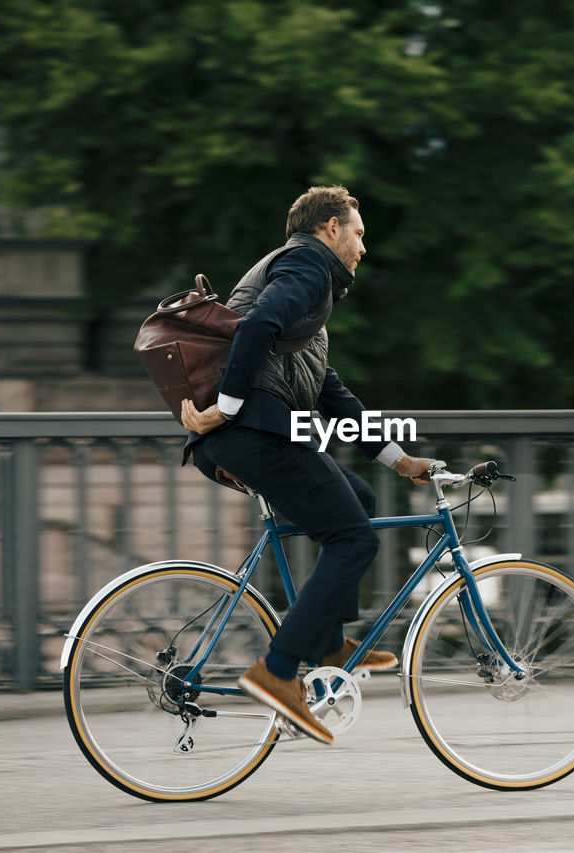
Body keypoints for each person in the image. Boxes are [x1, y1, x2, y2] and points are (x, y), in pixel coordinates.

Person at [180, 186, 436, 745]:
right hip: (255, 432)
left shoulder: (307, 293)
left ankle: (324, 642)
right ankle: (277, 672)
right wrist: (221, 411)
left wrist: (399, 459)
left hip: (257, 434)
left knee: (360, 507)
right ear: (330, 228)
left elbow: (332, 394)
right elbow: (254, 328)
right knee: (355, 540)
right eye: (359, 234)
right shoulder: (307, 265)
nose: (364, 248)